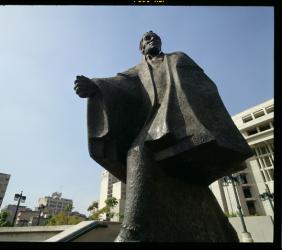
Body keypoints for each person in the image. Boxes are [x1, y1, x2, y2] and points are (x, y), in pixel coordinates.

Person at [73, 31, 253, 242]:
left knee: (138, 151)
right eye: (146, 38)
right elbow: (119, 83)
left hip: (181, 121)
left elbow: (205, 87)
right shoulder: (137, 71)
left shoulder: (178, 58)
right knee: (138, 151)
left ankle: (132, 231)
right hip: (154, 122)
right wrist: (95, 86)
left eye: (155, 37)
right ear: (141, 47)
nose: (151, 40)